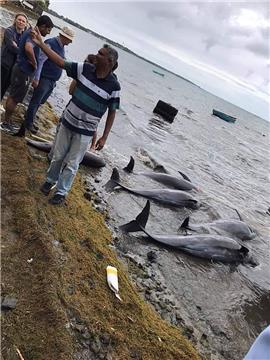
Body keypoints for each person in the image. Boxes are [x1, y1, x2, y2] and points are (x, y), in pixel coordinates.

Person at [31, 27, 121, 205]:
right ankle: (50, 181)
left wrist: (104, 136)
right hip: (67, 123)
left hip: (85, 133)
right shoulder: (85, 69)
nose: (96, 55)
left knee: (72, 164)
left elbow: (112, 112)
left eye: (100, 54)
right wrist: (41, 44)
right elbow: (61, 62)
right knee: (57, 155)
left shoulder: (114, 87)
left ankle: (61, 192)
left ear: (109, 61)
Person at [15, 26, 75, 136]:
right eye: (70, 39)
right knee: (35, 102)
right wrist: (37, 78)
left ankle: (29, 121)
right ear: (64, 37)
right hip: (44, 78)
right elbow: (41, 61)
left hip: (51, 80)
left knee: (40, 102)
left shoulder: (60, 46)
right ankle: (27, 124)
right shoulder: (51, 43)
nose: (71, 42)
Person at [1, 15, 53, 132]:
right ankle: (5, 123)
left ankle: (7, 120)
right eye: (48, 29)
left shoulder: (31, 31)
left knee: (13, 95)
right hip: (23, 71)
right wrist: (34, 63)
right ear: (43, 26)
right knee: (14, 98)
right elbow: (28, 48)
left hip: (20, 68)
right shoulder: (32, 34)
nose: (49, 33)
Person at [1, 13, 28, 101]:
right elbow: (12, 47)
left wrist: (18, 47)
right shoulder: (9, 31)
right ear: (15, 20)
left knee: (5, 87)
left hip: (14, 66)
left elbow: (22, 50)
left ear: (25, 24)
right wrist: (20, 49)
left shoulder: (24, 35)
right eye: (19, 20)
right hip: (4, 63)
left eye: (23, 21)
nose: (21, 22)